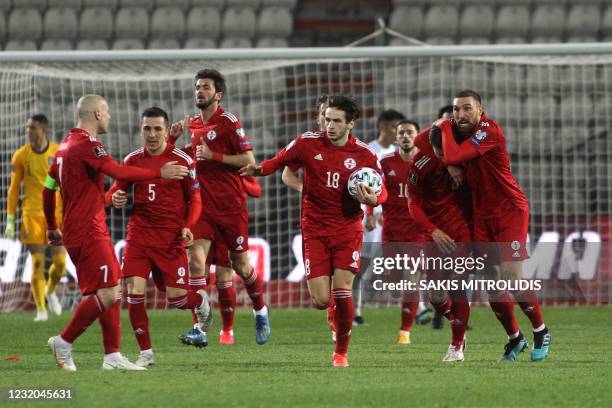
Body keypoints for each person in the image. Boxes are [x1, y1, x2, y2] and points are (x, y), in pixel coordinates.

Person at [42, 95, 189, 371]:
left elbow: (48, 188)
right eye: (107, 111)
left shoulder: (63, 146)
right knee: (110, 292)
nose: (110, 116)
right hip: (88, 230)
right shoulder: (87, 145)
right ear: (97, 114)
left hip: (79, 228)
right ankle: (63, 341)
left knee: (108, 290)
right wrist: (160, 172)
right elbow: (116, 170)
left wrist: (52, 226)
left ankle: (112, 356)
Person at [240, 94, 388, 367]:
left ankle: (341, 353)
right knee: (321, 300)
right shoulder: (307, 142)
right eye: (327, 119)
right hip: (314, 229)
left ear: (350, 124)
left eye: (336, 121)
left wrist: (372, 201)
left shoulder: (365, 154)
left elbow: (382, 192)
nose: (329, 126)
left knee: (343, 290)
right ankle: (333, 312)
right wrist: (257, 170)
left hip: (347, 229)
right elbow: (277, 162)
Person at [430, 89, 551, 361]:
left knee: (511, 276)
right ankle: (515, 338)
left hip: (509, 211)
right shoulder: (458, 133)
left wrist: (442, 126)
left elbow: (454, 155)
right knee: (492, 284)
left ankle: (541, 331)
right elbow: (431, 146)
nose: (460, 114)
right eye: (456, 109)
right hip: (482, 216)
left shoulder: (489, 130)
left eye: (466, 109)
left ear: (480, 111)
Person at [105, 107, 211, 366]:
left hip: (170, 240)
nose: (152, 134)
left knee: (179, 300)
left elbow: (196, 200)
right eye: (147, 129)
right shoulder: (131, 160)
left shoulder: (182, 161)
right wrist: (113, 198)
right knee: (133, 293)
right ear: (141, 130)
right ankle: (146, 354)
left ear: (166, 131)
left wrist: (188, 226)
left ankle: (201, 300)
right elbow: (112, 192)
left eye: (157, 129)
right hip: (139, 237)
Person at [174, 69, 270, 347]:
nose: (199, 91)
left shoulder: (229, 122)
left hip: (230, 207)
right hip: (202, 207)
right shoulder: (192, 124)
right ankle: (199, 327)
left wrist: (214, 155)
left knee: (240, 265)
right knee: (195, 263)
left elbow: (248, 160)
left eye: (205, 87)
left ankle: (260, 311)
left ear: (218, 94)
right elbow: (194, 161)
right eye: (197, 87)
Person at [407, 126, 472, 362]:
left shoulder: (468, 157)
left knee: (457, 285)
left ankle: (456, 347)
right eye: (437, 152)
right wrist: (432, 231)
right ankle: (460, 331)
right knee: (436, 297)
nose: (442, 157)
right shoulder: (420, 164)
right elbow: (413, 202)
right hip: (435, 236)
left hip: (464, 232)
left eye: (445, 152)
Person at [5, 114, 66, 321]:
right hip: (31, 214)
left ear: (43, 129)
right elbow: (14, 190)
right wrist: (11, 220)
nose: (28, 131)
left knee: (60, 264)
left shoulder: (57, 152)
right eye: (27, 128)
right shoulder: (21, 156)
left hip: (55, 215)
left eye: (32, 128)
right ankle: (41, 309)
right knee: (37, 262)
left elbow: (66, 185)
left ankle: (50, 291)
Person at [378, 119, 426, 345]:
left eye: (410, 132)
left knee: (410, 281)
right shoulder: (385, 162)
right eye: (401, 133)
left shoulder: (427, 163)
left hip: (417, 233)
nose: (405, 136)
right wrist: (371, 212)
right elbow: (375, 189)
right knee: (395, 284)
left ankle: (404, 332)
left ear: (417, 136)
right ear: (396, 138)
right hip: (391, 231)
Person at [357, 109, 406, 326]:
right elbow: (364, 184)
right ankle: (355, 312)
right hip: (371, 218)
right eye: (395, 127)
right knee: (362, 266)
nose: (399, 132)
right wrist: (371, 213)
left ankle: (420, 310)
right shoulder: (369, 151)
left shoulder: (399, 153)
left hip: (393, 219)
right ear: (383, 127)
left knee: (409, 264)